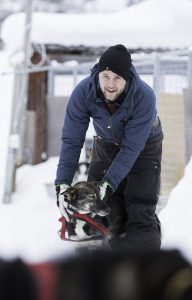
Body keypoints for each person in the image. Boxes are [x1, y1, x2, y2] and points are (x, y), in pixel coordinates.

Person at [55, 44, 163, 251]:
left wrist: (109, 183)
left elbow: (132, 148)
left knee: (139, 206)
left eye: (117, 78)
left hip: (144, 147)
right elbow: (72, 140)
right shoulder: (83, 91)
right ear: (98, 74)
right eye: (106, 76)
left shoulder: (144, 96)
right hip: (105, 144)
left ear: (127, 78)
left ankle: (144, 266)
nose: (111, 84)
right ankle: (101, 265)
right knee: (104, 207)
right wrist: (62, 183)